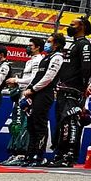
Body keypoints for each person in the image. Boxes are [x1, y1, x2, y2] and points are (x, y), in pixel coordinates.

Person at [52, 16, 91, 166]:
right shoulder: (73, 45)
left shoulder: (84, 44)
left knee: (70, 122)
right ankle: (60, 154)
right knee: (61, 123)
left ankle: (69, 156)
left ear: (81, 26)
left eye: (72, 25)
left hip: (74, 90)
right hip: (64, 89)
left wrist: (83, 89)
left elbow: (86, 68)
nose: (69, 27)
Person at [23, 33, 66, 166]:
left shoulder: (58, 57)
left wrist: (34, 89)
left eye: (49, 41)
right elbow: (38, 76)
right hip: (35, 93)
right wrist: (30, 90)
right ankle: (30, 155)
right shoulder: (46, 58)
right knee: (31, 124)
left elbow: (49, 77)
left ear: (56, 44)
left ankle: (39, 155)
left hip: (45, 93)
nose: (46, 44)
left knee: (40, 124)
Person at [0, 38, 45, 166]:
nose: (28, 47)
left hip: (29, 96)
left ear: (37, 47)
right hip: (21, 95)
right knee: (16, 126)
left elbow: (34, 78)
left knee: (24, 125)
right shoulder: (30, 60)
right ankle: (15, 153)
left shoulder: (38, 60)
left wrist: (17, 81)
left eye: (30, 45)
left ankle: (22, 154)